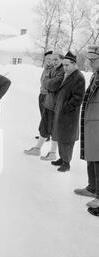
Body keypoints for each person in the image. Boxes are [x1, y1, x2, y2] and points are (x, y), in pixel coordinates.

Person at [24, 50, 65, 161]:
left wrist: (47, 83)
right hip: (49, 102)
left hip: (55, 104)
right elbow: (46, 83)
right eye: (51, 59)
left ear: (62, 59)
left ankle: (52, 153)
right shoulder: (54, 69)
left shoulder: (62, 71)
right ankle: (37, 149)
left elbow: (52, 85)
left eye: (56, 59)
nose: (53, 62)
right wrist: (47, 83)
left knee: (53, 128)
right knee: (45, 125)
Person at [50, 51, 85, 172]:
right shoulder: (68, 75)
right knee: (61, 136)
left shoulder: (78, 77)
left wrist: (65, 107)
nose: (64, 68)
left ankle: (67, 163)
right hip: (61, 113)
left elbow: (78, 98)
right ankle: (62, 158)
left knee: (67, 140)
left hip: (69, 115)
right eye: (63, 65)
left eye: (67, 65)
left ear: (74, 64)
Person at [74, 45, 99, 213]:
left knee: (98, 158)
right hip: (92, 121)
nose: (89, 63)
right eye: (88, 59)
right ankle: (92, 188)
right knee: (92, 156)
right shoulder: (95, 75)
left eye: (93, 60)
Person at [35, 50, 53, 139]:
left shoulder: (53, 70)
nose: (49, 60)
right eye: (47, 59)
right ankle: (43, 133)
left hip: (47, 96)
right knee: (42, 115)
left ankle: (46, 135)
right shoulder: (45, 69)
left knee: (46, 116)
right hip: (42, 94)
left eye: (50, 59)